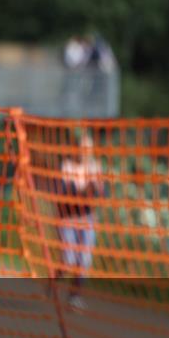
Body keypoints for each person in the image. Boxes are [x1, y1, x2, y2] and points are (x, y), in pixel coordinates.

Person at [52, 129, 105, 311]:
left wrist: (94, 188)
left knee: (84, 259)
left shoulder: (95, 167)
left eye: (87, 148)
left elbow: (101, 194)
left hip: (87, 219)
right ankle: (53, 284)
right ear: (76, 148)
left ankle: (75, 297)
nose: (84, 151)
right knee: (67, 260)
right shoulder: (67, 166)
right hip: (68, 218)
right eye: (81, 147)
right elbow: (65, 193)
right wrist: (83, 191)